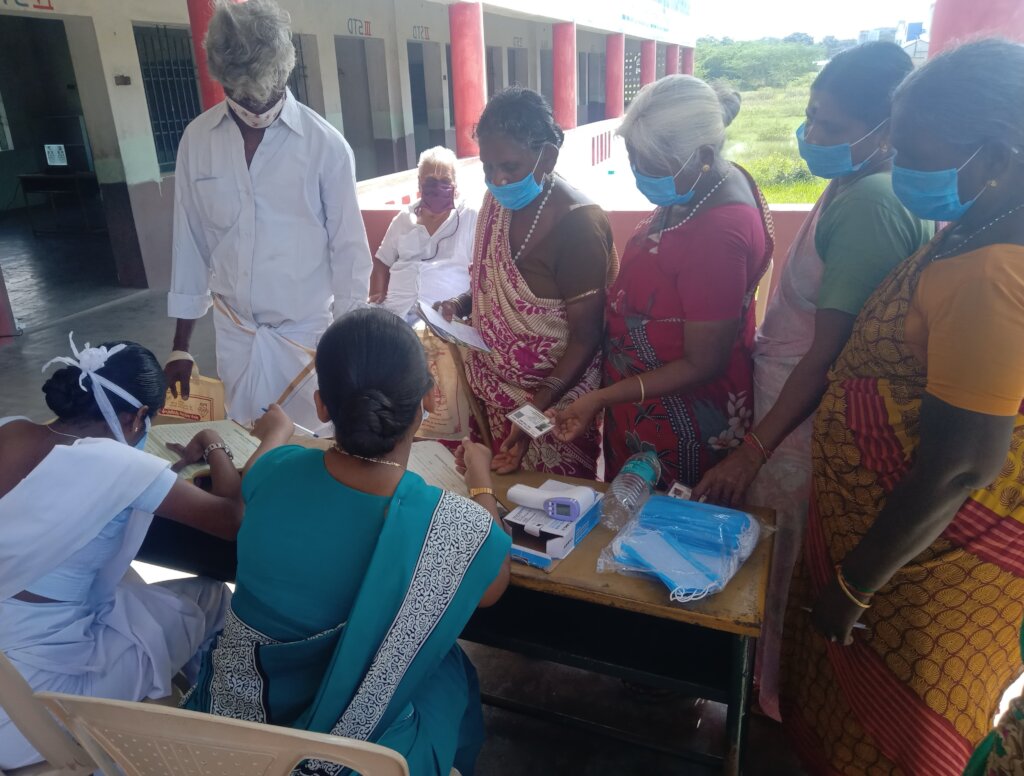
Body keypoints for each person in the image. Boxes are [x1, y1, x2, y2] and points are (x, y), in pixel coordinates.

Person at [780, 39, 1024, 774]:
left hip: (919, 582)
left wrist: (855, 585)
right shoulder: (974, 226)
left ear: (996, 158)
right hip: (888, 556)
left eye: (916, 151)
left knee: (896, 746)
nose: (900, 163)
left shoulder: (993, 271)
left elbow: (961, 465)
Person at [692, 42, 933, 720]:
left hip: (801, 426)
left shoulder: (870, 205)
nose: (810, 136)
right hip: (785, 414)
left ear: (883, 131)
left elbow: (828, 356)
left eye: (828, 125)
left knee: (786, 569)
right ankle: (768, 695)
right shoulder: (850, 186)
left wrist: (754, 449)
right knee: (774, 567)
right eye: (808, 117)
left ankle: (773, 707)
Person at [183, 308, 511, 776]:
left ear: (321, 406)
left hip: (234, 726)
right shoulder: (450, 525)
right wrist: (480, 479)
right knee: (445, 672)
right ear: (428, 401)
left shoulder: (274, 473)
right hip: (357, 756)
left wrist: (275, 433)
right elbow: (493, 586)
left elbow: (258, 472)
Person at [0, 335, 245, 770]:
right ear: (140, 418)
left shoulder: (11, 430)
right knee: (211, 598)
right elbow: (231, 520)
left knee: (133, 595)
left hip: (6, 657)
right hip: (36, 702)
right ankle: (215, 727)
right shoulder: (120, 467)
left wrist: (145, 479)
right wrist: (211, 440)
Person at [552, 75, 773, 489]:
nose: (637, 171)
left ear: (703, 155)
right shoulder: (696, 187)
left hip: (684, 422)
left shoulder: (719, 232)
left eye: (648, 163)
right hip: (641, 406)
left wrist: (600, 398)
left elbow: (704, 361)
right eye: (632, 156)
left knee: (661, 533)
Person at [165, 0, 372, 432]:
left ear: (284, 72)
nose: (254, 107)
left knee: (313, 448)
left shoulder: (325, 147)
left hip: (307, 337)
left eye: (264, 93)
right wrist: (180, 347)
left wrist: (352, 350)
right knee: (244, 445)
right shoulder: (197, 141)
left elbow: (350, 254)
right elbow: (190, 242)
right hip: (236, 336)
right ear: (223, 80)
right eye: (241, 95)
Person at [436, 87, 617, 478]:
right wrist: (462, 305)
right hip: (493, 390)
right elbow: (491, 282)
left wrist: (535, 408)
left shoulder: (578, 225)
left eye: (510, 167)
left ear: (547, 157)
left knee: (553, 513)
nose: (497, 180)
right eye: (487, 168)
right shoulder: (497, 202)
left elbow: (587, 336)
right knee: (491, 495)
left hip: (556, 403)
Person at [370, 146, 478, 324]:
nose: (437, 187)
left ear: (455, 185)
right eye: (430, 181)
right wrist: (376, 292)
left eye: (445, 180)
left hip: (443, 318)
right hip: (395, 313)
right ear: (420, 183)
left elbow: (483, 274)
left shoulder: (470, 218)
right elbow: (382, 260)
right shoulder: (404, 218)